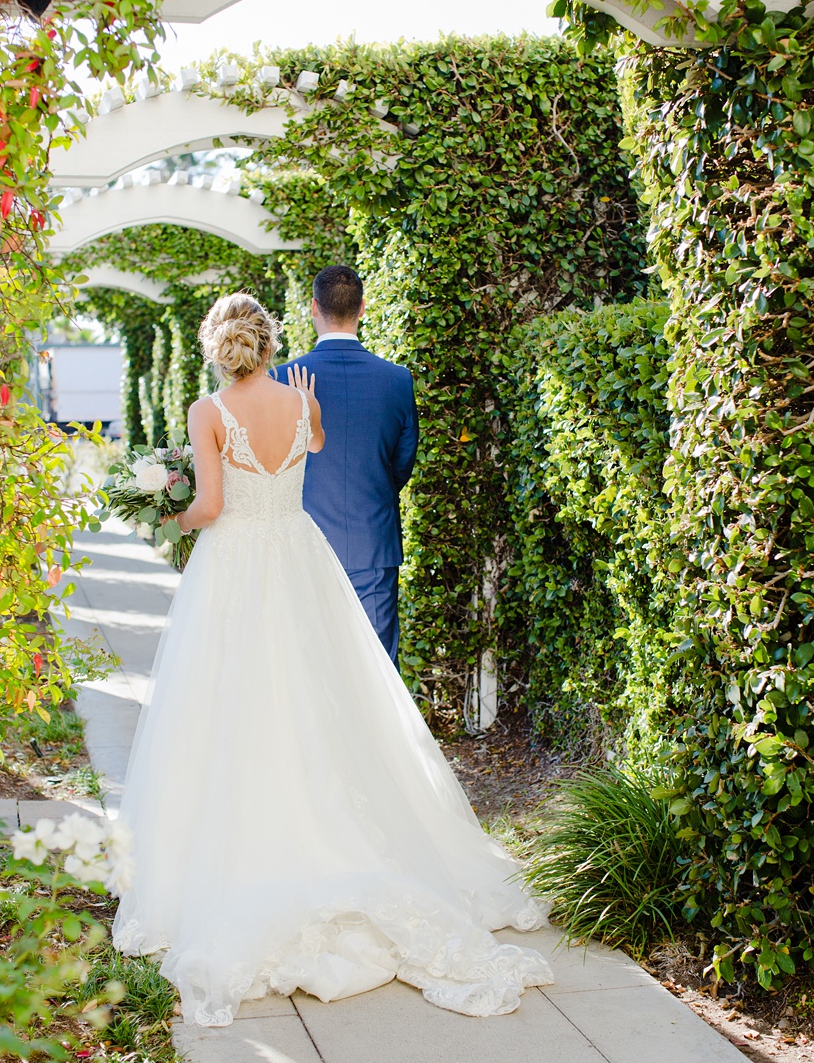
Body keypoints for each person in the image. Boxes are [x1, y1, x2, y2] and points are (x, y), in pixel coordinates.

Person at [112, 291, 552, 1028]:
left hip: (234, 566)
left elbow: (213, 507)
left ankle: (228, 842)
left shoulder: (207, 409)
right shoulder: (299, 398)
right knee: (317, 694)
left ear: (216, 346)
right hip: (298, 557)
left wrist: (168, 511)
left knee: (228, 699)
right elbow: (311, 450)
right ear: (267, 339)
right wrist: (305, 416)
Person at [274, 265, 417, 666]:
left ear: (313, 308)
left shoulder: (281, 378)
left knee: (308, 664)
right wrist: (372, 493)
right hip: (374, 544)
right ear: (363, 308)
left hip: (303, 542)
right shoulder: (397, 379)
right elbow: (403, 462)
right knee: (377, 671)